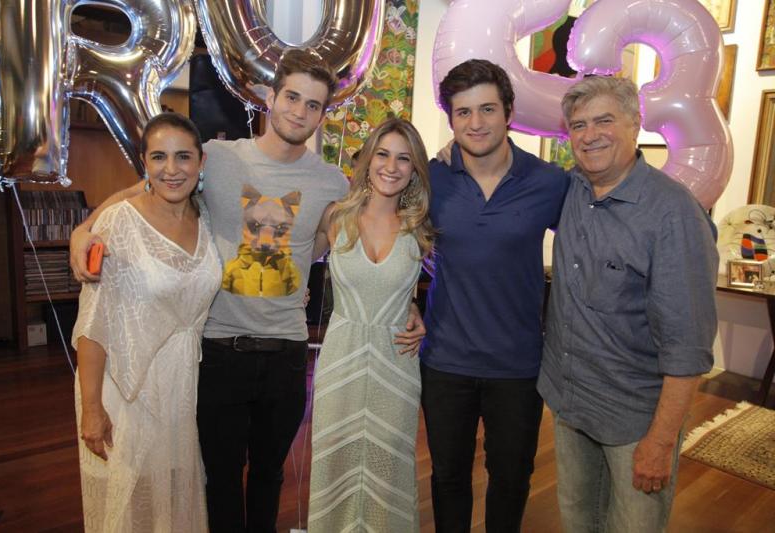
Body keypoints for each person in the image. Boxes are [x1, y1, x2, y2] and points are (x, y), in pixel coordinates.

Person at [70, 49, 425, 532]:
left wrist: (407, 303)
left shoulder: (329, 182)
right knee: (218, 477)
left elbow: (344, 245)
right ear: (270, 97)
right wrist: (85, 228)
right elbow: (143, 190)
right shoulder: (217, 158)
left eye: (313, 105)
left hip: (286, 354)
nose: (299, 112)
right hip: (220, 350)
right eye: (292, 98)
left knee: (268, 476)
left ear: (323, 114)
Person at [537, 76, 718, 533]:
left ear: (636, 124)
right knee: (578, 521)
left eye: (604, 121)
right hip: (571, 402)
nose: (590, 135)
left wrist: (661, 442)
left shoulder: (674, 214)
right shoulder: (572, 190)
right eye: (579, 125)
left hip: (635, 420)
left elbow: (688, 346)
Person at [420, 59, 570, 532]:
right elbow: (390, 237)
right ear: (451, 120)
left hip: (518, 365)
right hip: (446, 361)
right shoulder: (431, 178)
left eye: (487, 109)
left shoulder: (549, 182)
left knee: (511, 478)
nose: (476, 123)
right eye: (463, 112)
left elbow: (595, 233)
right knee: (448, 477)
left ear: (509, 112)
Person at [73, 112, 221, 532]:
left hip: (183, 388)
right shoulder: (118, 222)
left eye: (183, 157)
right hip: (128, 388)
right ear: (144, 163)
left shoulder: (206, 219)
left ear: (201, 161)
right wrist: (92, 409)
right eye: (159, 157)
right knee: (130, 504)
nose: (171, 169)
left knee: (172, 500)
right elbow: (93, 323)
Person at [307, 118, 434, 532]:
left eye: (404, 158)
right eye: (383, 154)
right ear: (367, 159)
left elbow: (446, 288)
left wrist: (417, 311)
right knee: (335, 463)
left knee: (389, 466)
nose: (391, 167)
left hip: (396, 365)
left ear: (415, 169)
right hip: (341, 362)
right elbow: (292, 264)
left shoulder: (419, 228)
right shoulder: (335, 217)